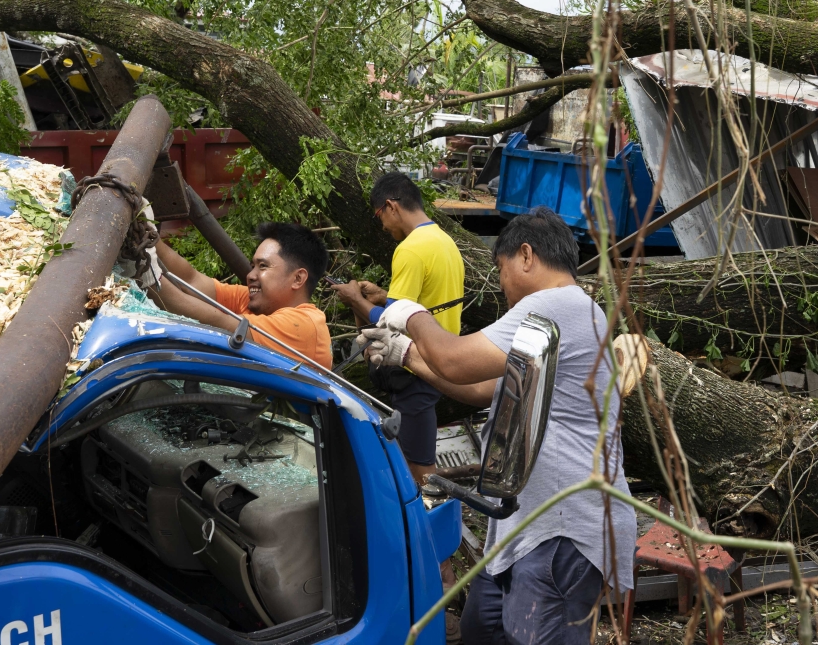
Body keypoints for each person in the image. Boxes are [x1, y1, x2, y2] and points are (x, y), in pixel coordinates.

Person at [373, 207, 636, 645]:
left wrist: (410, 314)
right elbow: (481, 389)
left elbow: (456, 360)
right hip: (530, 525)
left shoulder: (553, 306)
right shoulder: (573, 314)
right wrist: (405, 355)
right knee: (483, 627)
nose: (501, 284)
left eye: (501, 269)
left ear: (527, 255)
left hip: (564, 527)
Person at [333, 172, 464, 483]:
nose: (382, 225)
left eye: (380, 216)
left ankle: (428, 523)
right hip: (439, 358)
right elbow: (419, 305)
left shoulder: (410, 249)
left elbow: (390, 322)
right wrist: (381, 296)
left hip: (415, 369)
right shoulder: (444, 242)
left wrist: (355, 300)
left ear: (391, 206)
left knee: (419, 472)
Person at [152, 222, 333, 368]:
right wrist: (151, 237)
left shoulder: (304, 326)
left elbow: (216, 323)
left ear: (298, 279)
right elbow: (190, 281)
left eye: (263, 266)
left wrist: (146, 274)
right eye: (253, 266)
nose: (250, 275)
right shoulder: (259, 303)